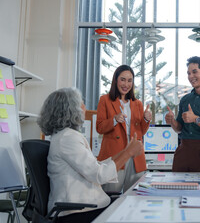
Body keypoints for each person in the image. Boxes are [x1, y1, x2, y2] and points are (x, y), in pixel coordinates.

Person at [37, 88, 143, 223]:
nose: (85, 108)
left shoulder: (64, 136)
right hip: (77, 212)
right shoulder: (68, 138)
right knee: (134, 209)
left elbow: (96, 166)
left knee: (130, 205)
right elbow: (99, 175)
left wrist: (125, 151)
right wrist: (128, 153)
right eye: (81, 104)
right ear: (71, 110)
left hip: (82, 207)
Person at [96, 65, 151, 193]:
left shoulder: (137, 103)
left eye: (129, 80)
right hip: (114, 154)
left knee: (135, 195)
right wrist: (114, 120)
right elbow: (99, 127)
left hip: (135, 155)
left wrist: (146, 119)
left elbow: (141, 132)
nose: (126, 84)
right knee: (111, 196)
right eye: (123, 79)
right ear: (116, 80)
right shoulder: (105, 100)